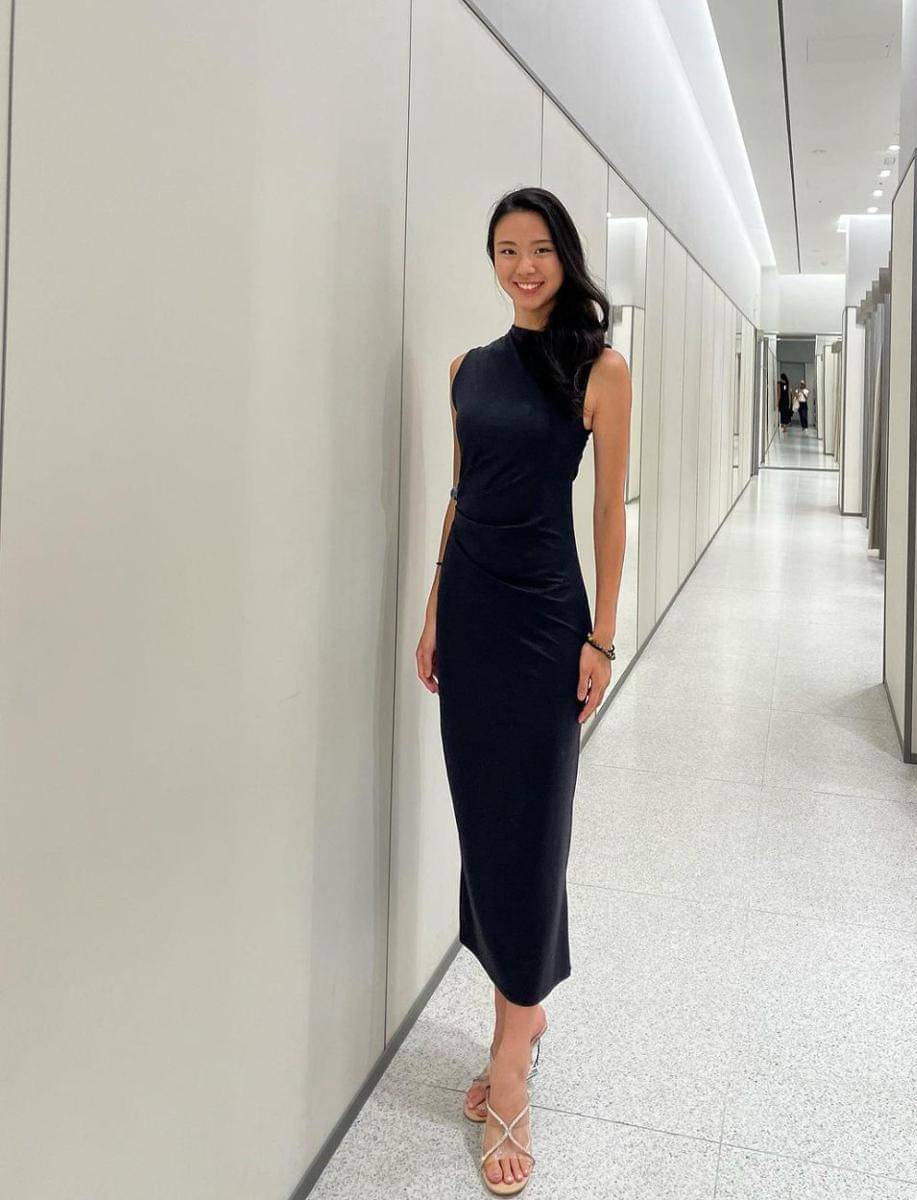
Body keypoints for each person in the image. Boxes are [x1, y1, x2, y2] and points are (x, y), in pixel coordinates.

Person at [415, 187, 630, 1195]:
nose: (523, 266)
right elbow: (460, 499)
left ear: (564, 257)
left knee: (535, 827)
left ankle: (510, 1055)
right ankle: (523, 1009)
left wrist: (603, 636)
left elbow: (610, 513)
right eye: (506, 250)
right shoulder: (467, 370)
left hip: (547, 623)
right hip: (470, 615)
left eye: (539, 248)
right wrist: (432, 611)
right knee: (484, 822)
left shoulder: (599, 369)